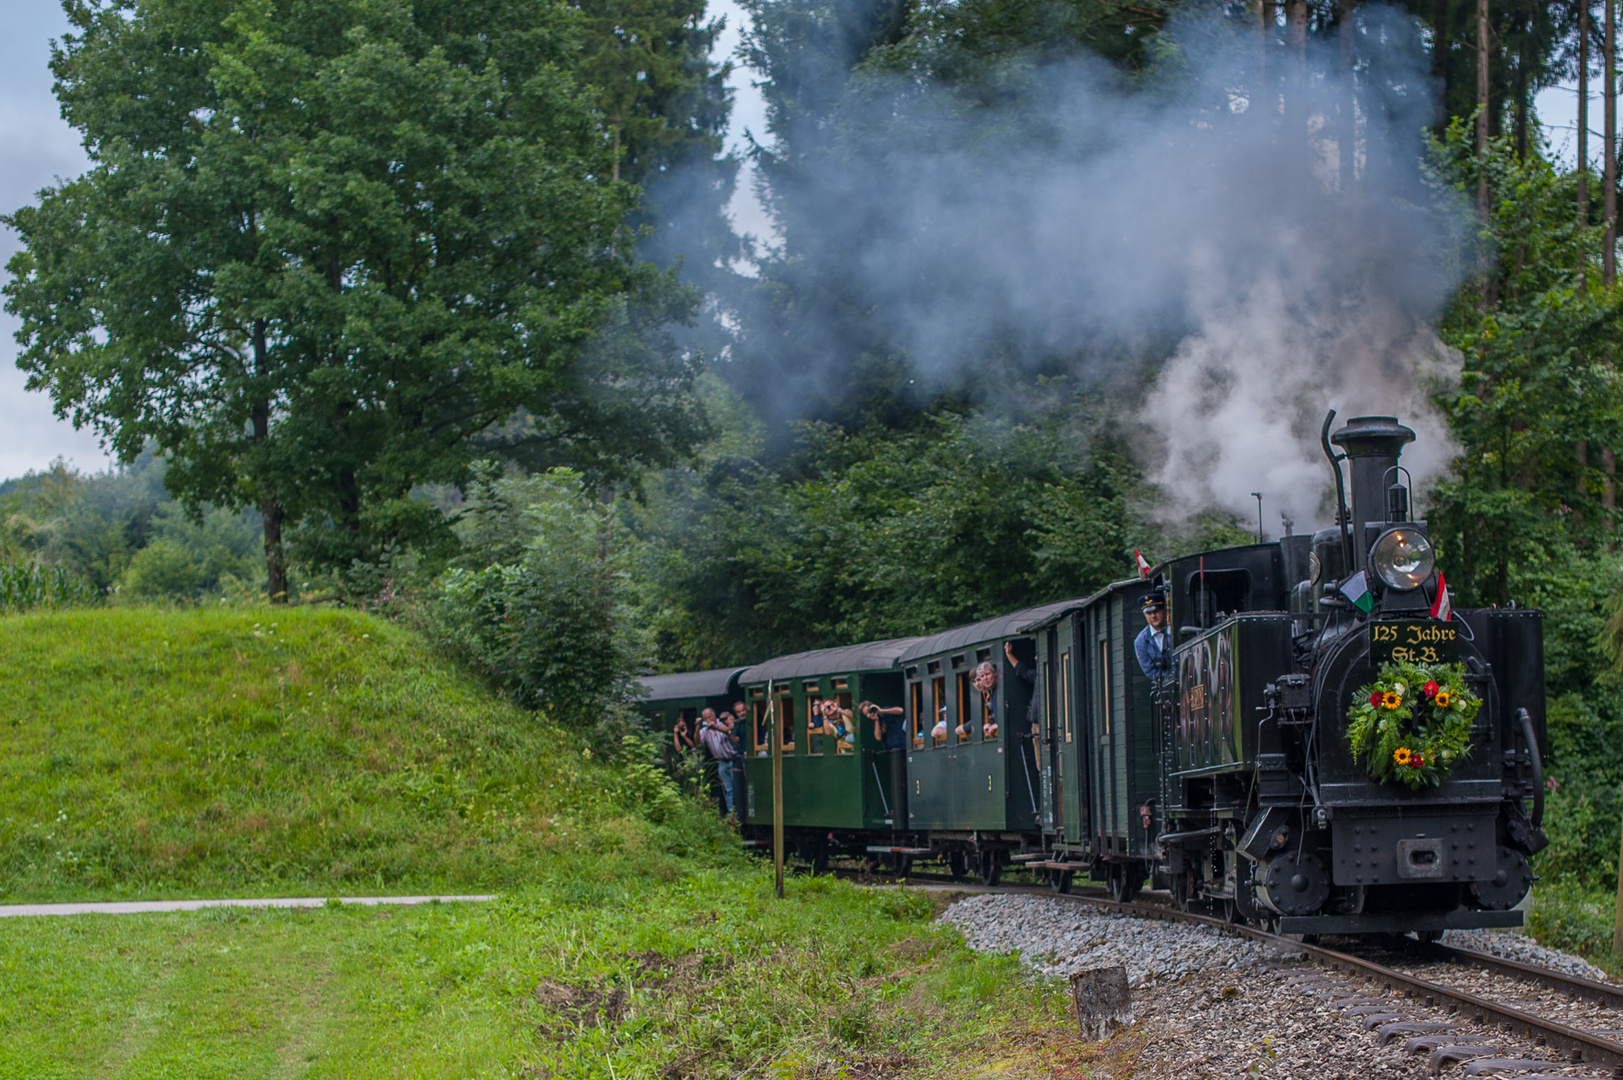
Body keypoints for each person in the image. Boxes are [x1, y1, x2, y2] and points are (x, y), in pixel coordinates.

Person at [698, 709, 739, 818]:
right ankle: (732, 815)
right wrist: (697, 727)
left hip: (735, 759)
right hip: (722, 762)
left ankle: (741, 812)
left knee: (738, 787)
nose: (707, 719)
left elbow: (729, 731)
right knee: (728, 789)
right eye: (705, 718)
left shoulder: (722, 723)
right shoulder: (704, 731)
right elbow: (697, 742)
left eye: (709, 717)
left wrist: (715, 727)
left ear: (714, 716)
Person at [1134, 593, 1174, 681]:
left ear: (1164, 611)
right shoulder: (1140, 641)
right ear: (1145, 615)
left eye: (1156, 611)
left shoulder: (1176, 630)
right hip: (1164, 688)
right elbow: (1151, 672)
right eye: (1149, 613)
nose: (1153, 616)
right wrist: (1171, 679)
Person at [967, 661, 998, 739]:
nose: (977, 684)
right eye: (974, 682)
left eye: (978, 680)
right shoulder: (988, 694)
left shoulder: (994, 692)